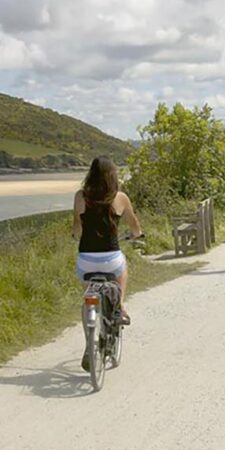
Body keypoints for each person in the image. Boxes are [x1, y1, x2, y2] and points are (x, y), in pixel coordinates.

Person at [71, 156, 143, 371]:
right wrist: (136, 235)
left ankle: (88, 345)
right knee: (123, 269)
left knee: (87, 300)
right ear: (113, 175)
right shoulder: (120, 198)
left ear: (90, 174)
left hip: (86, 260)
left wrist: (76, 235)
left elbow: (77, 228)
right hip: (111, 259)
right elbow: (135, 227)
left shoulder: (80, 196)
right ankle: (119, 306)